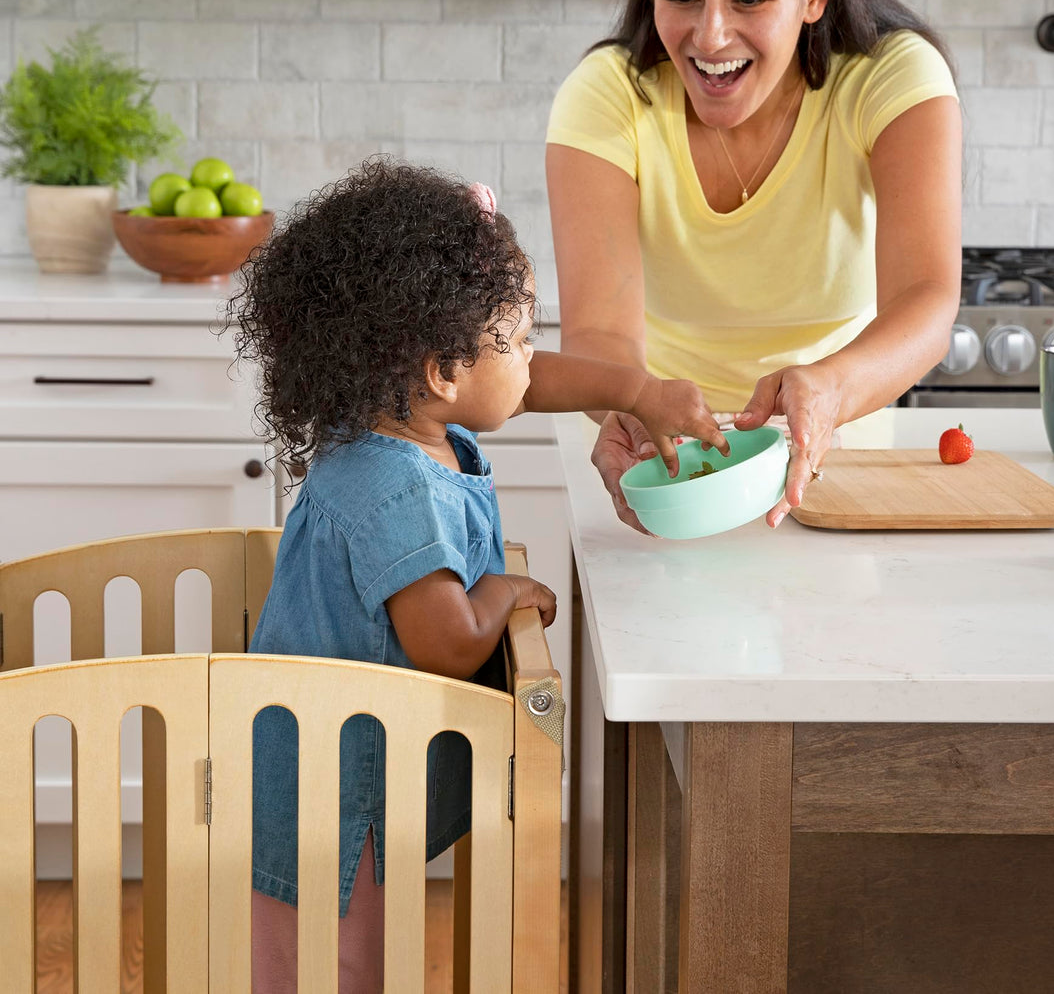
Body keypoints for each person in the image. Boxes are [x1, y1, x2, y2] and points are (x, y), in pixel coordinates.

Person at [226, 159, 726, 992]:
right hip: (327, 791)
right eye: (523, 339)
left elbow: (527, 390)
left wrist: (639, 390)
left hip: (338, 767)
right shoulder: (393, 487)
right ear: (442, 372)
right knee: (329, 966)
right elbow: (446, 643)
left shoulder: (404, 419)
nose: (534, 360)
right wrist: (504, 591)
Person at [546, 0, 963, 531]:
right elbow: (595, 329)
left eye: (747, 0)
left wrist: (828, 390)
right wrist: (630, 402)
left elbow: (927, 299)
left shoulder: (894, 78)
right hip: (668, 467)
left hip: (841, 471)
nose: (709, 37)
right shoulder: (608, 95)